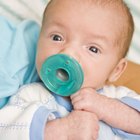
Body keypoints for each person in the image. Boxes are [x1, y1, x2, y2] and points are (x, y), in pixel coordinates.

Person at [0, 0, 140, 140]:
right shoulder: (31, 95)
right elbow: (6, 131)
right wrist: (61, 130)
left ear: (116, 70)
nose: (68, 53)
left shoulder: (117, 97)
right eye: (57, 37)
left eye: (93, 49)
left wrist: (105, 107)